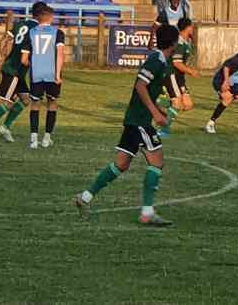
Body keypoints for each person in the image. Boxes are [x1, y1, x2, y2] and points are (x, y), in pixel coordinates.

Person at [74, 24, 179, 226]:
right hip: (139, 121)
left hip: (134, 119)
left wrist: (157, 107)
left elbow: (146, 90)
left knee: (121, 164)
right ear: (174, 43)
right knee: (156, 162)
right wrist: (155, 113)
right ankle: (147, 213)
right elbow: (140, 86)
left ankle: (84, 198)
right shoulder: (156, 60)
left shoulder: (160, 60)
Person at [0, 2, 45, 144]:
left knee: (26, 100)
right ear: (42, 15)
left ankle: (5, 127)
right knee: (6, 103)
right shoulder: (37, 30)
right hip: (14, 70)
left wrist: (2, 57)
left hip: (17, 71)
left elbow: (4, 39)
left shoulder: (21, 24)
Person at [21, 5, 65, 149]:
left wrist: (33, 63)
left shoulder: (31, 32)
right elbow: (60, 54)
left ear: (38, 17)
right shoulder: (57, 32)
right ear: (51, 17)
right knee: (52, 103)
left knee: (35, 104)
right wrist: (57, 74)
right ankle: (46, 138)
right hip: (52, 73)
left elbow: (24, 59)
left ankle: (34, 139)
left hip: (37, 74)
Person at [158, 17, 199, 137]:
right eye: (192, 27)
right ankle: (163, 130)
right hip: (172, 75)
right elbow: (176, 63)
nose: (193, 29)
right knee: (177, 103)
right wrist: (191, 71)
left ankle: (160, 101)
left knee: (188, 104)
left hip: (179, 77)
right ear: (187, 28)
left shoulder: (186, 41)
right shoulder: (179, 42)